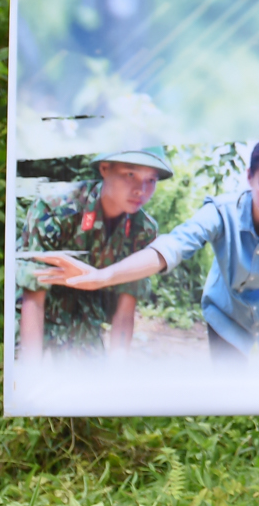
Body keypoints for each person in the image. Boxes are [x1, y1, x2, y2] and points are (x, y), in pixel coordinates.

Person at [31, 137, 259, 358]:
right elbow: (173, 246)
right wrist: (101, 276)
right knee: (227, 396)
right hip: (227, 320)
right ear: (249, 177)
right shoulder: (222, 213)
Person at [16, 149, 167, 355]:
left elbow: (125, 310)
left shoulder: (143, 229)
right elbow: (33, 297)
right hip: (29, 313)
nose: (140, 189)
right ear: (105, 169)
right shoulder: (56, 207)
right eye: (130, 175)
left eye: (151, 180)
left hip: (85, 318)